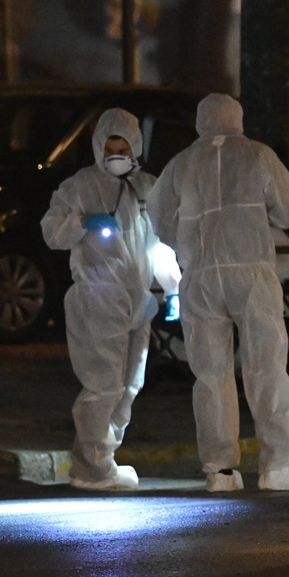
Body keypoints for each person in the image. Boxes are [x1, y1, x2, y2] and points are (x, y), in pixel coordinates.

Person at [146, 93, 289, 493]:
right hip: (252, 271)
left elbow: (159, 217)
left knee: (210, 376)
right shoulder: (258, 155)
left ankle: (220, 470)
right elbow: (287, 211)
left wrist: (187, 245)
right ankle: (278, 465)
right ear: (238, 118)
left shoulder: (181, 163)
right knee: (266, 367)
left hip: (201, 276)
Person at [41, 108, 182, 491]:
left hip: (138, 301)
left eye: (123, 148)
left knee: (129, 385)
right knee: (102, 385)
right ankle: (91, 467)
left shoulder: (148, 187)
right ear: (98, 147)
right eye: (110, 148)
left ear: (135, 146)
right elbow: (51, 232)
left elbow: (158, 245)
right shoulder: (81, 186)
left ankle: (104, 458)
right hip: (98, 297)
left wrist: (173, 288)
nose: (116, 155)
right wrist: (80, 222)